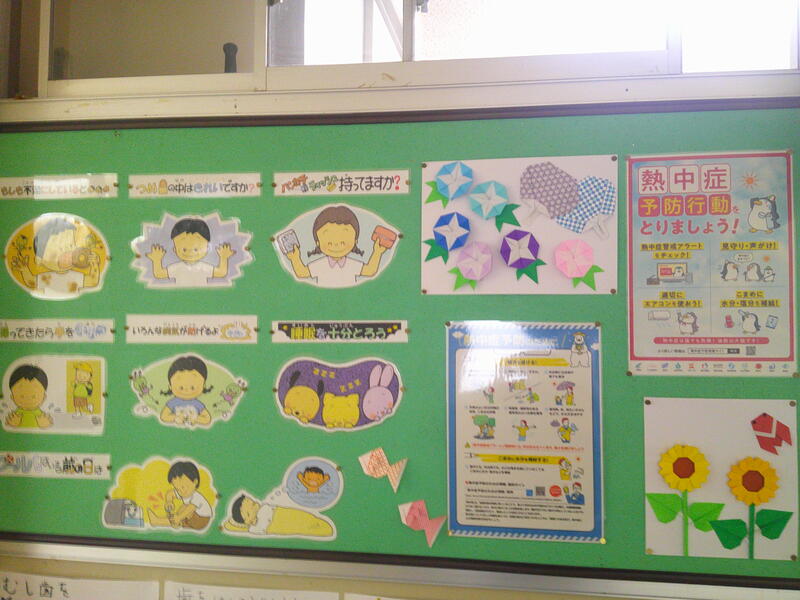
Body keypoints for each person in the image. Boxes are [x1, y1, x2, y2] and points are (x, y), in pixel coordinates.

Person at [285, 205, 389, 288]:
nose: (336, 245)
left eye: (343, 242)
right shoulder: (320, 265)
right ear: (317, 243)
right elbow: (302, 273)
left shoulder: (352, 264)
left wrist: (377, 252)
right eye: (329, 243)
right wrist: (294, 258)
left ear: (355, 241)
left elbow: (370, 271)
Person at [11, 216, 100, 298]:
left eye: (70, 247)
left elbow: (92, 281)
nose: (67, 256)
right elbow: (31, 282)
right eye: (54, 254)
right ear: (39, 260)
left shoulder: (75, 276)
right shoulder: (45, 277)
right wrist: (25, 270)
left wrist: (94, 265)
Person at [147, 218, 234, 286]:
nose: (190, 253)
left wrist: (224, 257)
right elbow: (159, 274)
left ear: (207, 249)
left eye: (196, 249)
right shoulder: (177, 267)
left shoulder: (203, 267)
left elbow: (221, 273)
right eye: (184, 249)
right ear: (175, 249)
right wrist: (157, 260)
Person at [147, 461, 213, 530]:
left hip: (202, 520)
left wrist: (179, 517)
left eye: (183, 487)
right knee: (183, 508)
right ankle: (173, 522)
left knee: (185, 508)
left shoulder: (196, 497)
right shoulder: (183, 492)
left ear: (195, 482)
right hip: (193, 518)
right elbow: (170, 493)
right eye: (177, 489)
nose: (181, 491)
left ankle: (160, 521)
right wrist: (169, 501)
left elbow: (190, 508)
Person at [159, 356, 213, 427]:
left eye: (192, 388)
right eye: (181, 388)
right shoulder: (173, 402)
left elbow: (207, 419)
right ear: (170, 387)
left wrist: (195, 418)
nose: (187, 391)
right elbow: (163, 416)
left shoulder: (197, 404)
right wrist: (176, 418)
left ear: (203, 386)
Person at [5, 365, 52, 429]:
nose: (28, 400)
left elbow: (48, 427)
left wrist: (45, 424)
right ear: (12, 397)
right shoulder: (15, 416)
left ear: (44, 397)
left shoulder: (41, 416)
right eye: (22, 396)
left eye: (33, 396)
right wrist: (13, 424)